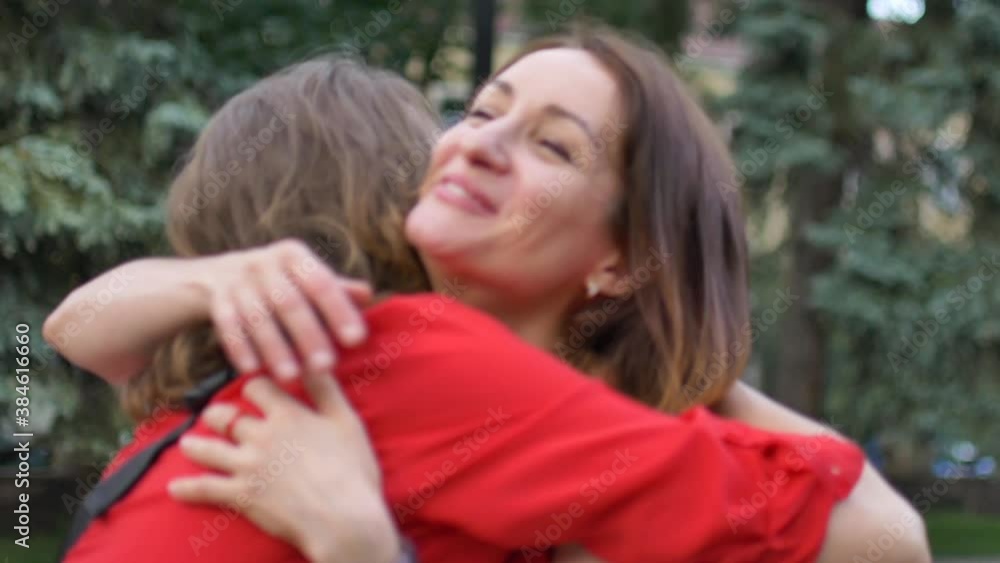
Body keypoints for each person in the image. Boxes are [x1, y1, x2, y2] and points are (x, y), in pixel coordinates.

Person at [47, 27, 930, 563]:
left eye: (553, 147)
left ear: (623, 262)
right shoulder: (396, 353)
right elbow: (882, 540)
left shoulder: (471, 413)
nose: (478, 143)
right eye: (478, 111)